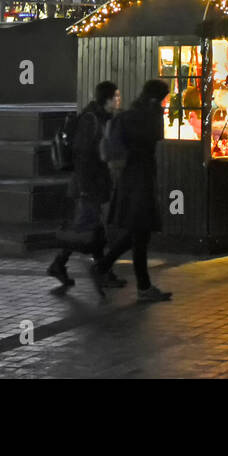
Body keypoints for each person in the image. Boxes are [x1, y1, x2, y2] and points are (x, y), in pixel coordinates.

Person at [95, 80, 172, 302]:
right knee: (140, 232)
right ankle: (139, 285)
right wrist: (159, 111)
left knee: (138, 234)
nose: (166, 103)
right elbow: (158, 135)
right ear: (156, 98)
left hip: (131, 179)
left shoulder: (131, 114)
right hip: (141, 179)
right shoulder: (147, 116)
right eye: (164, 98)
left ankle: (109, 269)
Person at [48, 81, 124, 289]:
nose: (119, 99)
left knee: (92, 229)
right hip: (87, 185)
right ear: (107, 99)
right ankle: (94, 270)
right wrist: (86, 186)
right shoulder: (91, 119)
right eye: (116, 96)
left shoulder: (100, 118)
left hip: (92, 183)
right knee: (86, 230)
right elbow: (82, 155)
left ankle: (89, 268)